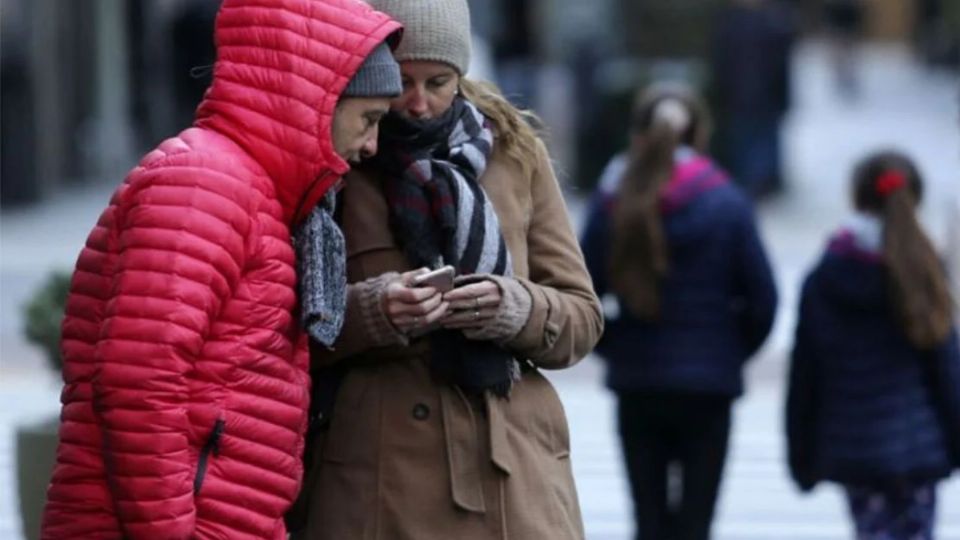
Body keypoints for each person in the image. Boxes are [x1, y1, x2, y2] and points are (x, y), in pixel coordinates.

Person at [40, 1, 404, 538]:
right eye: (367, 119)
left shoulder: (257, 194)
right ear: (315, 102)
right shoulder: (203, 185)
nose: (371, 145)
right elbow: (139, 383)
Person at [288, 0, 603, 538]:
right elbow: (280, 333)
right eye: (401, 81)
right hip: (381, 476)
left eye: (438, 81)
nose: (418, 102)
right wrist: (376, 309)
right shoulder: (336, 158)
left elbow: (581, 318)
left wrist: (515, 308)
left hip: (512, 473)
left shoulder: (513, 151)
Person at [580, 83, 778, 540]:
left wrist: (615, 345)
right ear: (701, 134)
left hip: (639, 381)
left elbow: (583, 289)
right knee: (696, 520)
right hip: (709, 384)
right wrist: (728, 349)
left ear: (638, 136)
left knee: (648, 519)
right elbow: (763, 299)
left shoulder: (615, 202)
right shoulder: (727, 202)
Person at [786, 151, 960, 540]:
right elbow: (947, 366)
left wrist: (802, 457)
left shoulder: (828, 275)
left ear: (856, 197)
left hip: (856, 447)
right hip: (919, 446)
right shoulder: (925, 271)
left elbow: (806, 373)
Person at [711, 0, 796, 198]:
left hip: (749, 95)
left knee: (754, 139)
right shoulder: (771, 22)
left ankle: (758, 182)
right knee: (754, 139)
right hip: (755, 95)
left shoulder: (732, 23)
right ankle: (760, 182)